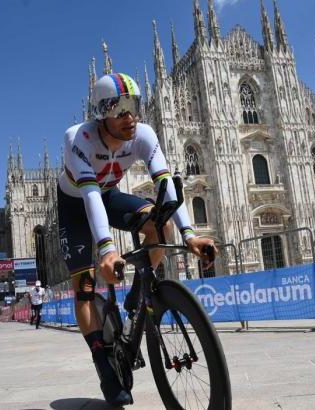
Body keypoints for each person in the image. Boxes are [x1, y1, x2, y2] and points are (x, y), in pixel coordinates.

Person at [57, 73, 216, 406]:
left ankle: (137, 295)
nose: (130, 117)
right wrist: (108, 251)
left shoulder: (143, 134)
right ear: (102, 113)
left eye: (135, 106)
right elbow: (89, 198)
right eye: (120, 108)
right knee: (85, 289)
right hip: (76, 203)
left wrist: (189, 235)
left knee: (160, 225)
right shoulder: (78, 138)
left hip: (110, 195)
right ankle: (103, 362)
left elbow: (165, 187)